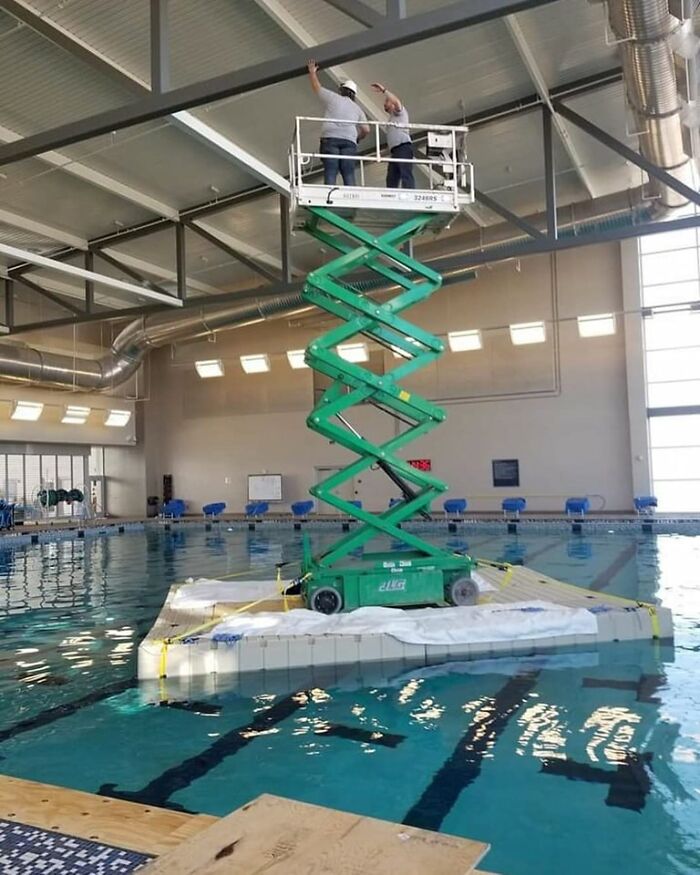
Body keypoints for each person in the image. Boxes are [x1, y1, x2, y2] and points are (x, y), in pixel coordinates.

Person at [307, 60, 369, 186]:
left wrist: (312, 72)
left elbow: (316, 87)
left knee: (331, 169)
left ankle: (329, 196)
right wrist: (357, 138)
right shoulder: (358, 109)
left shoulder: (333, 98)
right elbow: (366, 129)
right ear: (354, 95)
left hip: (330, 138)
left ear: (342, 90)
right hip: (349, 141)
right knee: (348, 171)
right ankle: (351, 199)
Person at [371, 82, 415, 189]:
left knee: (405, 173)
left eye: (387, 101)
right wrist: (379, 155)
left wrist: (384, 91)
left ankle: (409, 193)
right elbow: (391, 144)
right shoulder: (391, 120)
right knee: (392, 177)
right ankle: (391, 194)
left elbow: (397, 101)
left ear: (393, 104)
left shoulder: (400, 113)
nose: (384, 104)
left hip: (403, 147)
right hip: (395, 151)